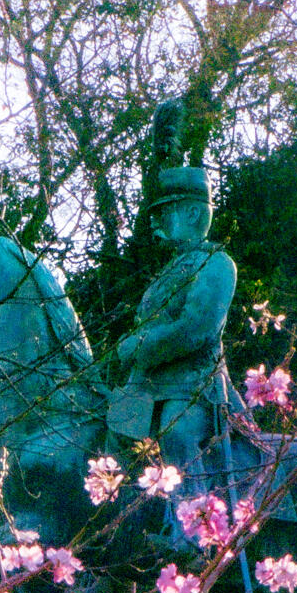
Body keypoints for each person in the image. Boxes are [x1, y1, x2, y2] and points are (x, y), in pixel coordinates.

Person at [106, 101, 245, 480]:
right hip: (147, 388)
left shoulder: (216, 264)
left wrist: (138, 346)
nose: (153, 223)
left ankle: (192, 516)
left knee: (177, 435)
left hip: (195, 389)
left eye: (163, 213)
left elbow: (195, 329)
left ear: (194, 214)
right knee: (106, 440)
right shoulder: (168, 273)